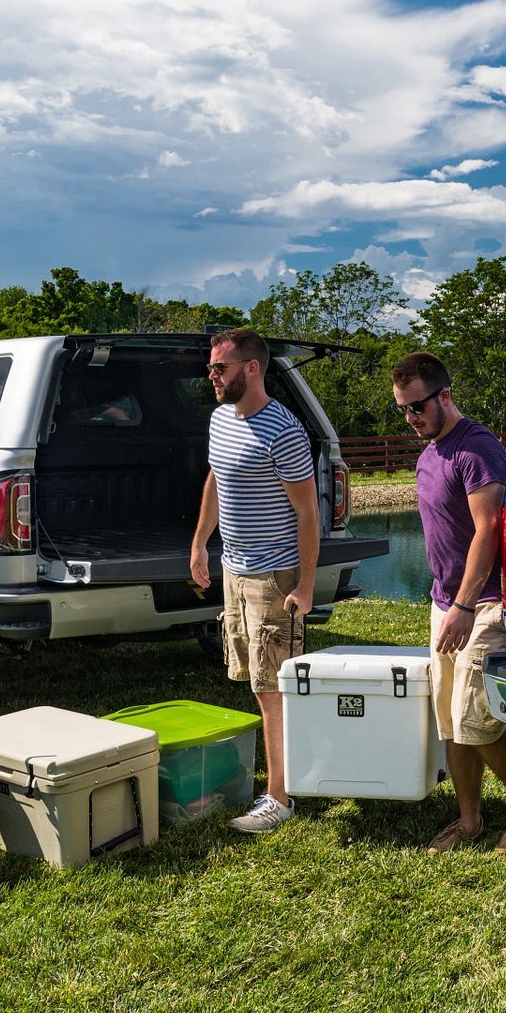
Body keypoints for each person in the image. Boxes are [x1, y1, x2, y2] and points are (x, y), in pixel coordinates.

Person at [392, 351, 506, 852]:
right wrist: (446, 603)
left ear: (444, 395)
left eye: (417, 406)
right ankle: (468, 823)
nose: (411, 418)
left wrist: (464, 607)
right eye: (402, 410)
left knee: (475, 722)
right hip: (446, 601)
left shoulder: (476, 446)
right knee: (451, 724)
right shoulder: (428, 453)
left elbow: (489, 531)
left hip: (480, 603)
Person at [190, 328, 318, 834]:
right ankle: (284, 777)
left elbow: (308, 513)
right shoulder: (221, 420)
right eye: (210, 369)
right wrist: (201, 542)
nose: (212, 377)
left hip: (274, 575)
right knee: (254, 681)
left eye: (219, 368)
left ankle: (280, 798)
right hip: (234, 569)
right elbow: (216, 480)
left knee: (273, 687)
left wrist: (304, 586)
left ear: (251, 368)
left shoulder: (283, 431)